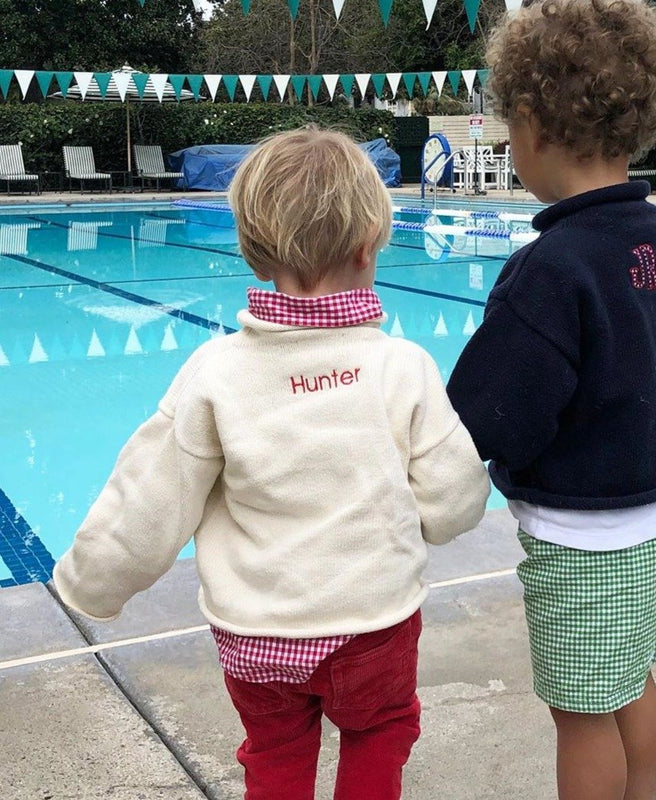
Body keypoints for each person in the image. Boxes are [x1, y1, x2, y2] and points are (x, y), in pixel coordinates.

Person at [52, 127, 490, 800]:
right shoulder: (402, 367)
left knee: (277, 757)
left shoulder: (215, 372)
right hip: (373, 625)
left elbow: (147, 501)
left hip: (257, 639)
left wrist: (90, 588)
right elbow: (454, 496)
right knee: (380, 731)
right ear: (371, 246)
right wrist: (436, 521)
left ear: (255, 255)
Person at [446, 2, 656, 799]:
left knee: (582, 714)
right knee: (631, 682)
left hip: (590, 539)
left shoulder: (551, 269)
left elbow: (487, 417)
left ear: (530, 123)